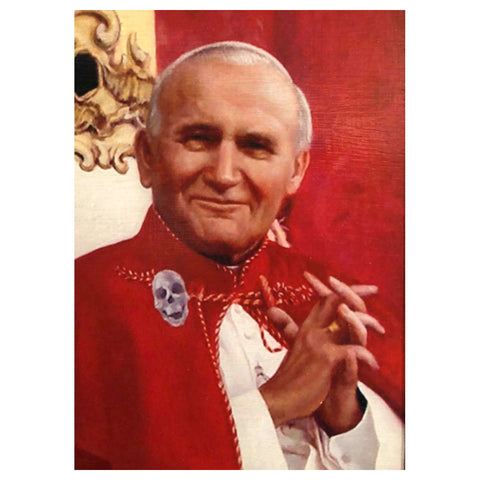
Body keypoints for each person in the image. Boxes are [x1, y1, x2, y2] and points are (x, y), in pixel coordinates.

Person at [75, 41, 403, 470]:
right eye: (198, 139)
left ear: (296, 170)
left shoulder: (334, 299)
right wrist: (275, 404)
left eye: (255, 146)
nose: (224, 174)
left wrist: (345, 418)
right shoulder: (78, 302)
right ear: (148, 156)